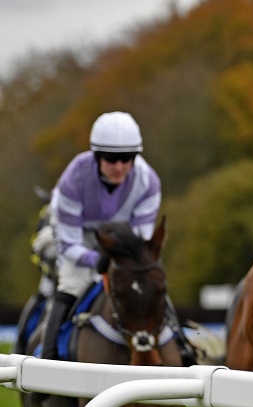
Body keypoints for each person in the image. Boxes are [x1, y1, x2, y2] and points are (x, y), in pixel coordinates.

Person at [41, 112, 163, 363]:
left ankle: (182, 347)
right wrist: (96, 261)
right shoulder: (72, 180)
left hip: (121, 238)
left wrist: (124, 262)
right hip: (77, 235)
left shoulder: (148, 181)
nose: (119, 167)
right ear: (96, 156)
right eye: (111, 159)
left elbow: (141, 239)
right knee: (72, 283)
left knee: (148, 284)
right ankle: (48, 358)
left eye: (127, 158)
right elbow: (68, 244)